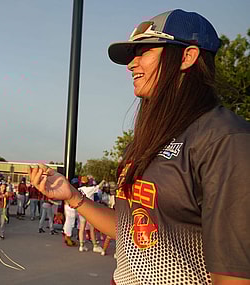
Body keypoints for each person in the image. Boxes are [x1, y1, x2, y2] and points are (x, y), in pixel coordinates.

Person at [29, 9, 250, 285]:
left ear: (187, 56)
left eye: (144, 50)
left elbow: (234, 274)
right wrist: (72, 196)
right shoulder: (146, 141)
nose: (131, 65)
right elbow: (131, 231)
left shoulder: (225, 139)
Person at [76, 176, 104, 253]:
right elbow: (99, 186)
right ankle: (95, 245)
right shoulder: (90, 189)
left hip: (82, 210)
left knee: (82, 228)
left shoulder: (79, 189)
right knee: (92, 228)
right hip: (90, 210)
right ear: (88, 182)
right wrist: (104, 180)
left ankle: (81, 245)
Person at [62, 178, 79, 247]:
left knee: (68, 222)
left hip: (67, 207)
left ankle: (66, 236)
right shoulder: (73, 191)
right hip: (70, 208)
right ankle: (68, 238)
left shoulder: (69, 189)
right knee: (70, 223)